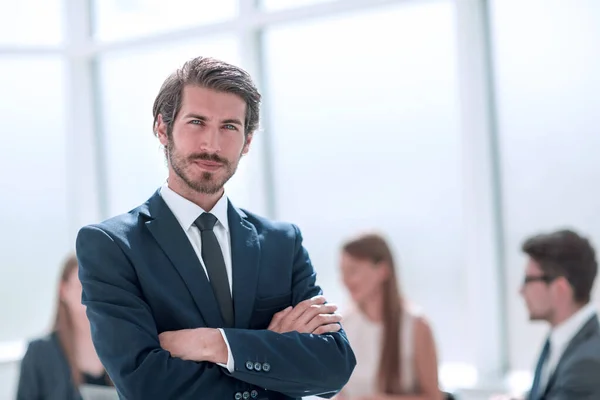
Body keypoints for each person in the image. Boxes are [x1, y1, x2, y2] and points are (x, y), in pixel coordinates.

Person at [75, 56, 356, 399]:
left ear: (247, 141)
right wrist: (273, 349)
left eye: (229, 127)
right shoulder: (112, 246)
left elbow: (333, 368)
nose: (212, 144)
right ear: (163, 129)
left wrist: (214, 344)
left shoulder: (283, 244)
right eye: (197, 122)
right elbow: (145, 385)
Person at [492, 229, 600, 400]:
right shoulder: (562, 340)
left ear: (559, 288)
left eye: (528, 280)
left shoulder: (588, 363)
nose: (521, 290)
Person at [336, 232, 443, 400]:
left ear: (382, 270)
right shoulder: (343, 325)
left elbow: (434, 397)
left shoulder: (416, 326)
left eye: (353, 270)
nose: (345, 280)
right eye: (342, 272)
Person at [16, 254, 111, 400]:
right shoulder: (39, 354)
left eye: (97, 286)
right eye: (82, 286)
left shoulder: (122, 348)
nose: (92, 295)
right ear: (63, 290)